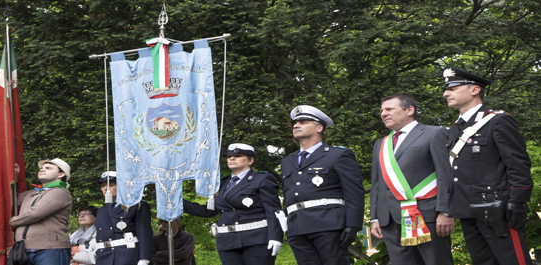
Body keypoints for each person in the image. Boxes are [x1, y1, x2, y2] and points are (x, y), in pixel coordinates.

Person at [442, 66, 533, 265]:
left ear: (474, 90)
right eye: (446, 89)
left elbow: (518, 163)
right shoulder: (455, 128)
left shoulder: (497, 121)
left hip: (497, 208)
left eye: (453, 88)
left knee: (513, 261)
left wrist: (517, 201)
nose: (445, 93)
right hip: (467, 209)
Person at [369, 94, 454, 265]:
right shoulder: (381, 143)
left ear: (409, 110)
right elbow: (377, 183)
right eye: (381, 111)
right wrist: (375, 218)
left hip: (427, 215)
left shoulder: (435, 133)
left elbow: (446, 175)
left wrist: (445, 212)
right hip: (390, 219)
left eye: (389, 109)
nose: (383, 114)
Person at [281, 105, 365, 265]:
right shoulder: (287, 161)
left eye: (303, 122)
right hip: (297, 226)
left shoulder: (338, 155)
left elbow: (354, 192)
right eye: (295, 123)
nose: (296, 125)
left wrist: (353, 225)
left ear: (319, 127)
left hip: (328, 223)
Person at [183, 143, 284, 265]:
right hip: (228, 241)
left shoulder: (262, 179)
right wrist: (177, 202)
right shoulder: (221, 184)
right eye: (229, 156)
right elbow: (208, 211)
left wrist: (276, 236)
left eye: (237, 155)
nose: (231, 158)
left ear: (250, 160)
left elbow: (273, 210)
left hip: (256, 239)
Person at [8, 158, 73, 265]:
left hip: (51, 250)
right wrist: (14, 177)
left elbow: (34, 214)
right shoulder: (32, 193)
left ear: (61, 174)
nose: (42, 170)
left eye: (48, 168)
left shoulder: (60, 192)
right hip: (24, 250)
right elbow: (10, 201)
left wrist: (11, 222)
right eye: (41, 168)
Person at [94, 171, 153, 265]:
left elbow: (144, 234)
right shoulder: (101, 210)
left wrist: (144, 259)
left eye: (111, 185)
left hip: (126, 257)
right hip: (104, 258)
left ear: (122, 186)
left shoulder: (136, 205)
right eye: (103, 185)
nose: (105, 188)